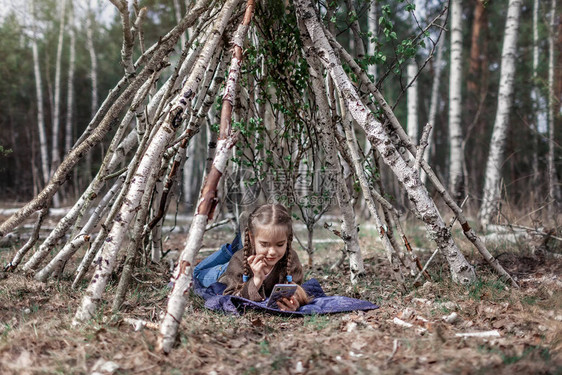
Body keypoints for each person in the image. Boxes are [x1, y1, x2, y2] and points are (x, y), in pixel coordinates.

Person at [196, 204, 310, 312]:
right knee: (196, 273)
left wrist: (295, 301)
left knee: (243, 251)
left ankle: (238, 243)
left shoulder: (291, 258)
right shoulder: (239, 260)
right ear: (251, 238)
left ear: (288, 239)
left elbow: (297, 288)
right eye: (265, 244)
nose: (272, 252)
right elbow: (232, 298)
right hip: (223, 274)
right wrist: (257, 279)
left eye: (280, 244)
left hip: (248, 252)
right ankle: (233, 247)